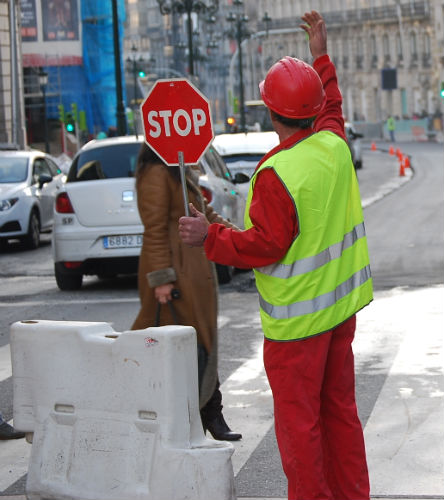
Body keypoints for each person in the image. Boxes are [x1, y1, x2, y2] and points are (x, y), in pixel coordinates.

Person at [179, 10, 372, 500]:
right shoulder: (333, 144)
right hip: (339, 315)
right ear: (314, 107)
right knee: (341, 416)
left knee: (300, 430)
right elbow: (333, 106)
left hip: (296, 328)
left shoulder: (276, 174)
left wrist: (211, 235)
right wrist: (320, 56)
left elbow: (264, 245)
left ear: (270, 111)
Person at [131, 143, 241, 442]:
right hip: (175, 276)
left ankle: (207, 414)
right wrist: (162, 279)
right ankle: (202, 416)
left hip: (190, 270)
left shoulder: (179, 171)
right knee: (187, 346)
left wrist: (242, 239)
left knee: (198, 341)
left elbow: (206, 214)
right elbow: (153, 230)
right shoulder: (156, 173)